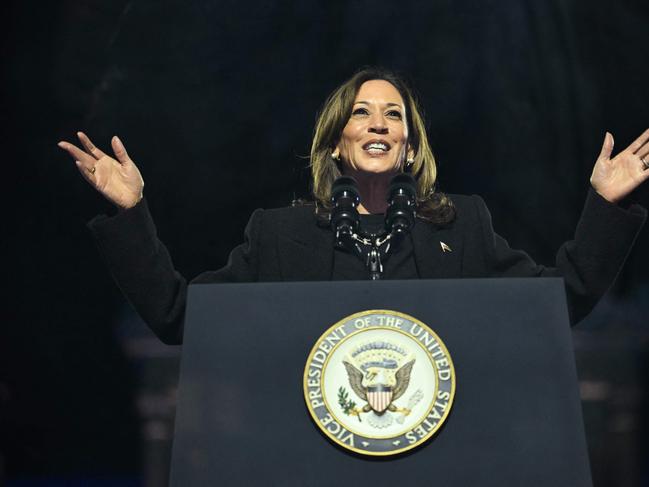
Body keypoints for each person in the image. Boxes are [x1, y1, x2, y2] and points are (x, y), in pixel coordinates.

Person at [58, 68, 648, 345]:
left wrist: (603, 205)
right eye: (362, 112)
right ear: (336, 139)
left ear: (409, 146)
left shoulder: (461, 226)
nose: (379, 124)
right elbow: (177, 315)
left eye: (394, 115)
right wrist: (131, 212)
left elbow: (559, 302)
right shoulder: (278, 235)